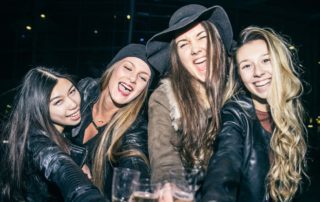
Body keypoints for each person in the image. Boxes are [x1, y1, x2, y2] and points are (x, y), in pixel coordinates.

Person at [201, 26, 307, 202]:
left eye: (266, 61)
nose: (258, 73)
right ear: (239, 75)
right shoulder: (235, 113)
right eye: (247, 66)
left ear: (279, 63)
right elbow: (225, 163)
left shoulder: (291, 112)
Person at [145, 4, 234, 187]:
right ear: (177, 57)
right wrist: (170, 186)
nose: (195, 50)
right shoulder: (164, 98)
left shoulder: (240, 85)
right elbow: (164, 159)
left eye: (202, 37)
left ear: (216, 40)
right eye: (184, 44)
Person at [0, 67, 105, 202]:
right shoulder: (34, 138)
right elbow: (57, 162)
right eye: (58, 102)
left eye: (72, 92)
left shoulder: (64, 133)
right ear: (40, 108)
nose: (73, 104)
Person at [69, 43, 154, 200]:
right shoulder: (83, 91)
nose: (132, 79)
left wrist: (136, 192)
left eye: (142, 78)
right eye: (128, 68)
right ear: (113, 67)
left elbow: (135, 160)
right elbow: (45, 126)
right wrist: (72, 159)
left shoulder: (135, 127)